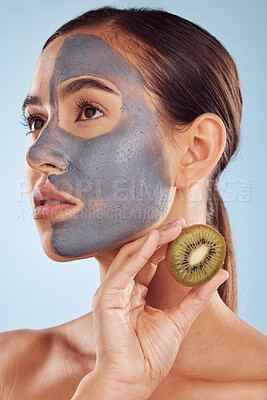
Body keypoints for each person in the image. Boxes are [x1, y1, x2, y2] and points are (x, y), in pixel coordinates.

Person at [1, 6, 266, 399]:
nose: (37, 154)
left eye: (88, 110)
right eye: (37, 121)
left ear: (195, 150)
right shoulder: (10, 365)